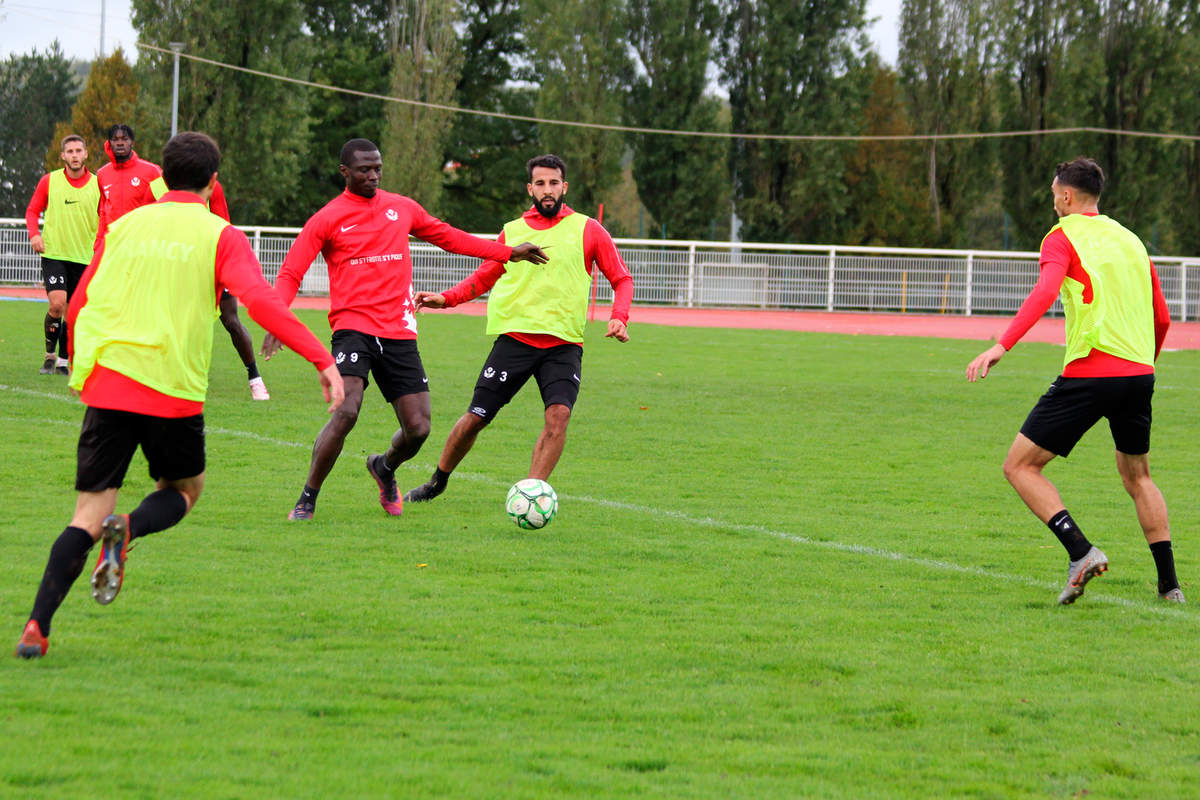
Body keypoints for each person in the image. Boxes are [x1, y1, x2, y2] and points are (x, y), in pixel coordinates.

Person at [14, 132, 345, 660]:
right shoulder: (221, 234)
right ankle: (131, 529)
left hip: (110, 382)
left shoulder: (122, 226)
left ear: (162, 177)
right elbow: (258, 301)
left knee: (85, 515)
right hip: (171, 391)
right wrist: (322, 360)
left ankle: (36, 625)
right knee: (184, 490)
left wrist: (80, 368)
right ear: (214, 182)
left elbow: (78, 305)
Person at [263, 138, 548, 521]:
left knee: (418, 428)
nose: (373, 175)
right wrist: (277, 317)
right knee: (346, 411)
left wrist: (506, 251)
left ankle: (384, 467)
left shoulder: (401, 207)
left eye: (377, 167)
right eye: (364, 169)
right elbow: (291, 272)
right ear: (344, 172)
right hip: (353, 328)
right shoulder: (328, 218)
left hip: (398, 329)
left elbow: (450, 237)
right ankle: (307, 497)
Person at [965, 156, 1181, 605]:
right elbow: (1161, 315)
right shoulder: (1131, 240)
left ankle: (1080, 552)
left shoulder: (1062, 236)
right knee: (1138, 476)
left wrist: (1001, 345)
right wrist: (1145, 365)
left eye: (1053, 196)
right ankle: (1170, 586)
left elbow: (1045, 291)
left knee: (1020, 466)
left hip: (1091, 372)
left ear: (1065, 196)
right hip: (1140, 373)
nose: (1054, 204)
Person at [404, 153, 633, 505]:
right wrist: (446, 299)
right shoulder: (512, 232)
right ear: (530, 188)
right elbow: (485, 276)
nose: (547, 190)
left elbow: (621, 278)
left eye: (553, 183)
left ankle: (531, 494)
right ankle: (438, 480)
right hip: (515, 341)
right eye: (540, 183)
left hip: (563, 345)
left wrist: (619, 316)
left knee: (559, 417)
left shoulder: (588, 229)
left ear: (564, 186)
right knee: (476, 418)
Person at [98, 123, 270, 399]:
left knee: (231, 320)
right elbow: (146, 221)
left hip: (209, 263)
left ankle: (255, 377)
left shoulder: (213, 187)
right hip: (174, 264)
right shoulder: (154, 186)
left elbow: (223, 223)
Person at [25, 134, 101, 375]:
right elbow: (32, 210)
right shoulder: (50, 181)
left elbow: (107, 217)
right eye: (70, 151)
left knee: (73, 311)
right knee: (57, 304)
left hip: (84, 257)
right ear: (63, 156)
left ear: (86, 154)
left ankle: (62, 362)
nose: (75, 155)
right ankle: (49, 356)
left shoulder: (98, 185)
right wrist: (34, 234)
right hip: (55, 253)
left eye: (79, 150)